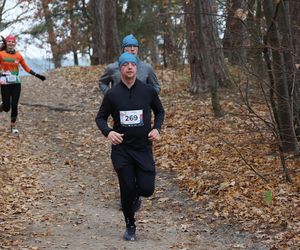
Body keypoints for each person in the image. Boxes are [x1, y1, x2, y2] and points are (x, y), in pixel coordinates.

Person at [95, 52, 164, 241]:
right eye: (125, 65)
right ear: (120, 68)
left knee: (147, 189)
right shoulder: (112, 94)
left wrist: (157, 129)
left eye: (132, 64)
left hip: (143, 148)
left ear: (137, 67)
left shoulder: (148, 91)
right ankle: (130, 225)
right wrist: (109, 132)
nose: (129, 67)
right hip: (122, 150)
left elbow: (159, 111)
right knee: (126, 188)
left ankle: (135, 195)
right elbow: (100, 118)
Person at [0, 35, 46, 134]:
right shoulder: (1, 54)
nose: (11, 43)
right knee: (7, 107)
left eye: (13, 42)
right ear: (6, 43)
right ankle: (2, 106)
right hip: (5, 83)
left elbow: (26, 68)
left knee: (14, 105)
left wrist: (37, 75)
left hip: (16, 83)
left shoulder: (18, 56)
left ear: (15, 43)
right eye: (9, 41)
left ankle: (13, 127)